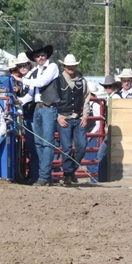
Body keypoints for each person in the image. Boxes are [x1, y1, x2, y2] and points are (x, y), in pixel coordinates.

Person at [13, 44, 60, 186]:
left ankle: (44, 176)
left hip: (48, 107)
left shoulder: (52, 67)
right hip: (38, 108)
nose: (40, 57)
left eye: (43, 55)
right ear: (34, 58)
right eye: (37, 55)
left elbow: (42, 82)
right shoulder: (35, 72)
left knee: (46, 143)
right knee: (39, 142)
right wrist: (19, 101)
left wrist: (22, 80)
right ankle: (44, 175)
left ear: (47, 56)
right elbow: (31, 94)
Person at [55, 54, 91, 185]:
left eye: (73, 65)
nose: (71, 68)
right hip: (64, 117)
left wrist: (85, 115)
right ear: (64, 66)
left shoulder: (82, 81)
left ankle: (69, 172)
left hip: (78, 117)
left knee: (82, 146)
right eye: (68, 66)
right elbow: (54, 100)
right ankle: (68, 174)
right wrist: (58, 116)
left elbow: (86, 98)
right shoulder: (58, 80)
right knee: (67, 148)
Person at [93, 75, 122, 182]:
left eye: (110, 86)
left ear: (114, 86)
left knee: (101, 154)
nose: (108, 88)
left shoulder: (115, 98)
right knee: (105, 154)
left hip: (113, 130)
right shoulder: (112, 97)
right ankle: (103, 178)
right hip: (112, 129)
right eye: (106, 86)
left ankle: (102, 179)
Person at [15, 52, 38, 184]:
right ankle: (34, 174)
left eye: (24, 65)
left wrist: (19, 101)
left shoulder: (32, 77)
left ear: (29, 64)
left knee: (35, 146)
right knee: (32, 146)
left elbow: (30, 96)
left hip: (33, 115)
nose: (22, 67)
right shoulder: (27, 78)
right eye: (20, 66)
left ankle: (36, 175)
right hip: (29, 115)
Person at [85, 81, 102, 183]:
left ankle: (95, 179)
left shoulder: (95, 104)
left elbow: (98, 123)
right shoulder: (89, 104)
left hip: (92, 134)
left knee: (91, 157)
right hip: (88, 133)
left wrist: (91, 134)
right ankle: (94, 179)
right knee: (88, 157)